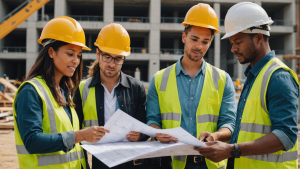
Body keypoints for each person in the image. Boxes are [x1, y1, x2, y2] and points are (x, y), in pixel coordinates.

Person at [195, 2, 299, 169]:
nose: (233, 49)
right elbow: (248, 131)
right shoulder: (255, 76)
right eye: (231, 43)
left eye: (238, 42)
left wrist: (231, 150)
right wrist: (218, 138)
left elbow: (286, 135)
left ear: (258, 37)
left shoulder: (278, 77)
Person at [146, 3, 236, 169]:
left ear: (211, 42)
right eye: (194, 39)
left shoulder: (223, 79)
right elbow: (152, 120)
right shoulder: (159, 79)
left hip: (212, 164)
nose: (199, 46)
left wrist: (216, 135)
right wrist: (158, 133)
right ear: (183, 37)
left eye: (205, 41)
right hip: (172, 163)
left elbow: (229, 124)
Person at [13, 16, 109, 169]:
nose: (76, 61)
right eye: (70, 54)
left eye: (78, 55)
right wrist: (81, 135)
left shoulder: (65, 91)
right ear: (51, 52)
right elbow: (32, 141)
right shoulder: (31, 91)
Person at [74, 23, 157, 169]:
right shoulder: (82, 89)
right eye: (107, 57)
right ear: (98, 54)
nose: (112, 64)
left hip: (132, 162)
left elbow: (144, 126)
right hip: (101, 162)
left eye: (118, 59)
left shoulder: (136, 87)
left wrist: (140, 136)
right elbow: (77, 135)